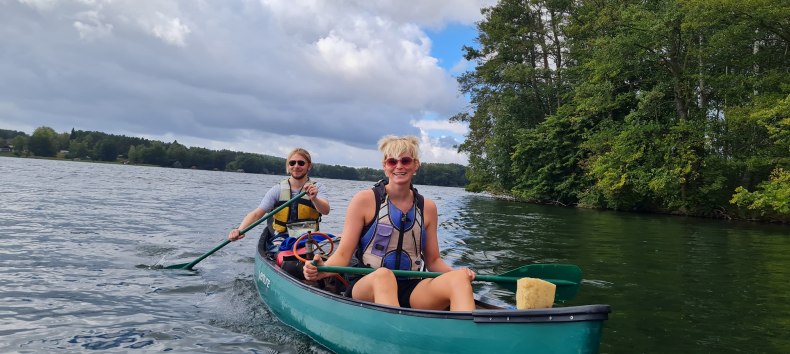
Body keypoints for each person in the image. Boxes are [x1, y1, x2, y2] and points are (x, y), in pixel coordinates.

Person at [303, 135, 475, 311]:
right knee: (384, 276)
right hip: (368, 283)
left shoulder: (428, 207)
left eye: (405, 161)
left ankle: (467, 334)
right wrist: (323, 269)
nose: (399, 166)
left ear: (416, 165)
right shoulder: (364, 200)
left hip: (412, 287)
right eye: (392, 162)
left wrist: (460, 273)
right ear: (385, 166)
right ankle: (397, 333)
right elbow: (344, 255)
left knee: (459, 279)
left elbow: (433, 261)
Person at [228, 148, 330, 252]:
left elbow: (325, 211)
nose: (296, 166)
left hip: (308, 237)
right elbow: (257, 214)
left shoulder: (317, 188)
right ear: (288, 166)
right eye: (292, 163)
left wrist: (315, 199)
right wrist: (240, 230)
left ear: (309, 166)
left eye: (301, 163)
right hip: (282, 237)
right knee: (283, 256)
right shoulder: (277, 190)